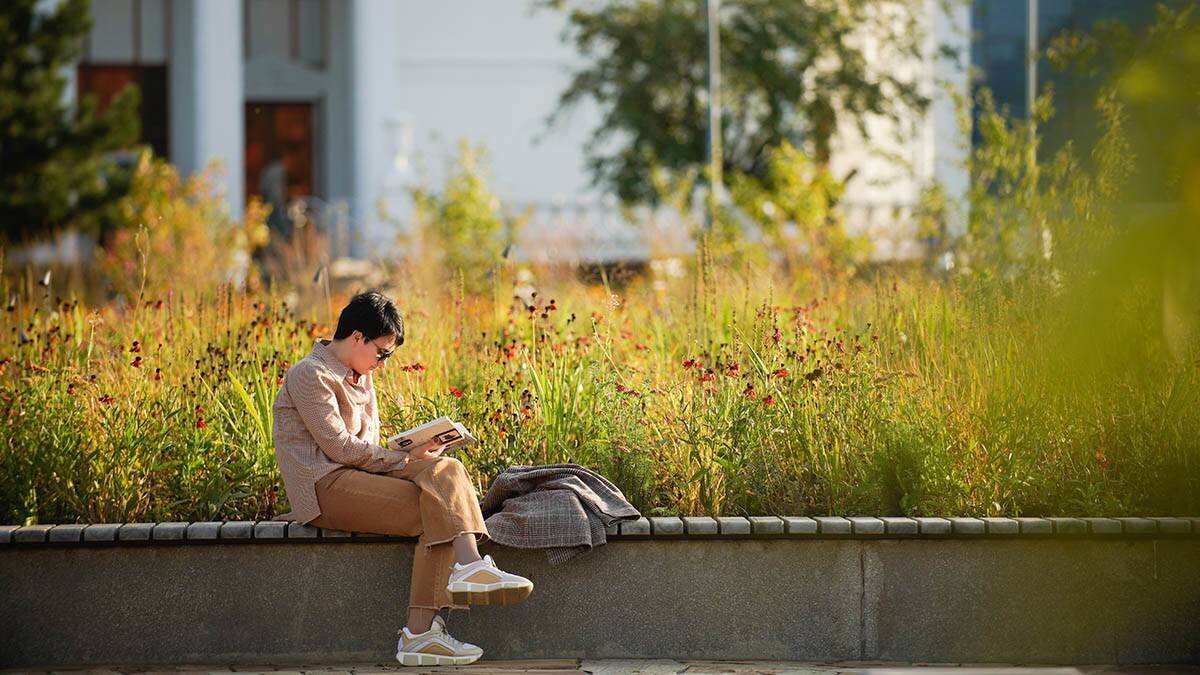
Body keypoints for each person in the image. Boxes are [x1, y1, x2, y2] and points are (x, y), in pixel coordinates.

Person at [271, 290, 532, 667]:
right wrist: (405, 458)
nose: (383, 362)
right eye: (382, 352)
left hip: (356, 477)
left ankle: (439, 611)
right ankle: (442, 604)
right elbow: (340, 449)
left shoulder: (361, 377)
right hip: (323, 485)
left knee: (446, 478)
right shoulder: (310, 374)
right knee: (440, 502)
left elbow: (365, 447)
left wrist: (414, 450)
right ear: (357, 337)